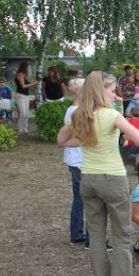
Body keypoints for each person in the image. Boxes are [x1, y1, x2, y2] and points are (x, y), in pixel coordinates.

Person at [57, 71, 139, 276]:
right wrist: (119, 119)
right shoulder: (111, 115)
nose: (115, 93)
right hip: (113, 179)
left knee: (96, 236)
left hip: (88, 179)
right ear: (101, 91)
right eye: (111, 89)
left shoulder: (81, 116)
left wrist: (72, 120)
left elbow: (63, 141)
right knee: (121, 235)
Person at [60, 77, 87, 247]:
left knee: (80, 197)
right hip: (78, 160)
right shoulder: (76, 111)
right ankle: (76, 233)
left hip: (76, 158)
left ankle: (77, 232)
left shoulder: (73, 109)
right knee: (80, 198)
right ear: (78, 91)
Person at [15, 61, 38, 134]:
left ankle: (24, 130)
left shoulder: (24, 75)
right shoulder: (20, 74)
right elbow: (23, 86)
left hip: (26, 96)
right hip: (20, 96)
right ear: (24, 67)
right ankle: (20, 130)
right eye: (27, 67)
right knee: (23, 114)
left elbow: (28, 82)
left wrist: (35, 81)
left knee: (26, 114)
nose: (28, 68)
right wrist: (33, 84)